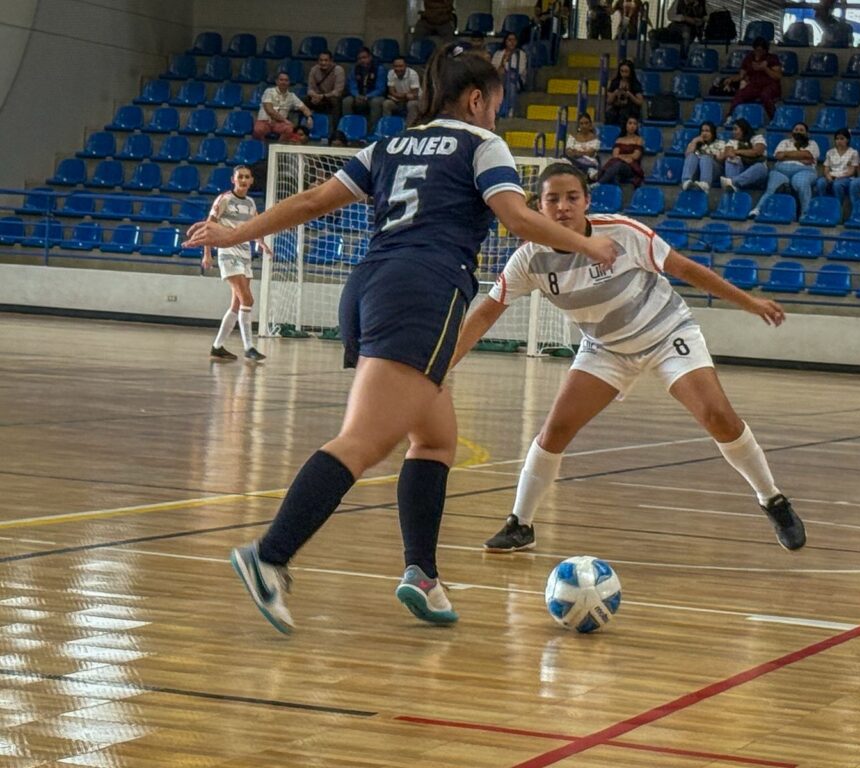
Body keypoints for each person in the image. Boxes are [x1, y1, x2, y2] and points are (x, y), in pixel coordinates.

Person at [183, 44, 618, 634]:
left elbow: (312, 201)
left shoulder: (386, 145)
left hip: (370, 287)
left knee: (436, 439)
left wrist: (239, 228)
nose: (496, 114)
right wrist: (588, 244)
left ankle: (423, 575)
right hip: (424, 291)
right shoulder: (480, 144)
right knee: (361, 441)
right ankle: (270, 555)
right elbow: (515, 218)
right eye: (495, 103)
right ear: (475, 99)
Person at [450, 162, 806, 554]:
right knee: (555, 431)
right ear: (539, 206)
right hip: (605, 348)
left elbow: (686, 269)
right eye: (553, 199)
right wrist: (443, 365)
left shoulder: (623, 232)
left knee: (717, 416)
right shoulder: (529, 258)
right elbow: (486, 312)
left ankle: (772, 498)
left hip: (667, 333)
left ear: (587, 201)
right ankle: (520, 524)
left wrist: (749, 303)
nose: (564, 207)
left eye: (572, 197)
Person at [201, 165, 272, 363]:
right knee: (248, 300)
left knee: (237, 303)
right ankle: (249, 347)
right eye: (239, 176)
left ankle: (217, 347)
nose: (243, 179)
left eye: (246, 177)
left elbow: (255, 226)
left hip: (244, 254)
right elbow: (209, 225)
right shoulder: (224, 199)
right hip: (227, 252)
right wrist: (207, 253)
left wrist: (261, 243)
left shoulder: (250, 202)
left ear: (251, 181)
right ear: (233, 179)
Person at [752, 121, 818, 218]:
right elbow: (779, 156)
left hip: (803, 171)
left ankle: (805, 214)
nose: (798, 132)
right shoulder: (784, 142)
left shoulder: (812, 143)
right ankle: (757, 209)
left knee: (802, 184)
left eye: (801, 130)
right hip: (781, 170)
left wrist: (786, 154)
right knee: (771, 188)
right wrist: (799, 157)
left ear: (807, 133)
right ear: (792, 132)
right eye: (796, 130)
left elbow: (807, 154)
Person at [723, 38, 782, 121]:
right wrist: (731, 79)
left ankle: (774, 119)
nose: (758, 53)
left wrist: (765, 68)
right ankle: (730, 116)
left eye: (760, 50)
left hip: (770, 85)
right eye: (756, 50)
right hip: (754, 85)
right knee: (740, 94)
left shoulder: (772, 58)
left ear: (765, 50)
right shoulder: (749, 58)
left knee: (765, 95)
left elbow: (777, 76)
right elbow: (741, 75)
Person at [254, 72, 313, 142]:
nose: (283, 82)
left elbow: (304, 108)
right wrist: (285, 120)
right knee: (258, 130)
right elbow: (270, 110)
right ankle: (262, 148)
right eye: (281, 80)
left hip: (279, 124)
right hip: (265, 121)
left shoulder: (292, 96)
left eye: (286, 80)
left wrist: (309, 117)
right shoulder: (269, 91)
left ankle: (278, 147)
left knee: (289, 129)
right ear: (276, 81)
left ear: (289, 82)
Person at [717, 118, 768, 192]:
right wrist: (744, 152)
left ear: (743, 130)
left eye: (735, 129)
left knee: (760, 167)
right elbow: (729, 153)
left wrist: (737, 151)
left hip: (757, 175)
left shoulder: (757, 138)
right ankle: (733, 187)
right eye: (733, 130)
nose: (733, 132)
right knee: (730, 160)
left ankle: (732, 182)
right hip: (740, 170)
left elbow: (757, 152)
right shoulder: (732, 142)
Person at [342, 47, 387, 127]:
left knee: (375, 102)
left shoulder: (379, 69)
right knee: (347, 101)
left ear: (370, 57)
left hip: (374, 96)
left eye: (364, 57)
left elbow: (380, 88)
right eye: (359, 58)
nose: (362, 60)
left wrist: (367, 96)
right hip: (359, 96)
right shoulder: (355, 69)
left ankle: (373, 129)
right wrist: (356, 95)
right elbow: (352, 85)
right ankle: (348, 127)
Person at [303, 51, 345, 135]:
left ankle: (335, 131)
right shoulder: (314, 70)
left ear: (331, 61)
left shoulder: (338, 70)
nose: (323, 63)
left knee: (335, 101)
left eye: (326, 60)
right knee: (303, 100)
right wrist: (314, 96)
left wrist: (322, 96)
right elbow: (310, 89)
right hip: (318, 97)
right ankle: (303, 130)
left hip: (331, 97)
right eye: (321, 60)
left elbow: (338, 91)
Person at [595, 116, 644, 187]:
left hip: (632, 167)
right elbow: (615, 155)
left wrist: (621, 157)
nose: (632, 126)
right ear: (626, 125)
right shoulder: (619, 140)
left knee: (618, 165)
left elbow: (635, 156)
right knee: (615, 174)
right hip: (619, 165)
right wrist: (625, 158)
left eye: (634, 124)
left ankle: (599, 184)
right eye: (630, 123)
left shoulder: (639, 140)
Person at [814, 128, 858, 206]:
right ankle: (822, 204)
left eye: (842, 139)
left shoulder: (853, 152)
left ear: (847, 140)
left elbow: (852, 171)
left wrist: (839, 177)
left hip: (846, 178)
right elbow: (826, 168)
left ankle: (838, 207)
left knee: (837, 185)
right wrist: (828, 176)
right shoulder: (830, 152)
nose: (839, 141)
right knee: (820, 182)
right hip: (831, 176)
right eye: (837, 139)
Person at [680, 121, 724, 193]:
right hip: (698, 170)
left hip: (714, 170)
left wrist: (712, 156)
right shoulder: (696, 143)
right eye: (702, 131)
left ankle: (705, 183)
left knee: (705, 158)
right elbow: (687, 156)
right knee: (691, 156)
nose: (704, 133)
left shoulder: (720, 143)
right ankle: (686, 181)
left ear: (712, 133)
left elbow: (721, 160)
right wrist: (694, 142)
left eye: (707, 131)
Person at [604, 60, 644, 130]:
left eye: (626, 71)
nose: (624, 74)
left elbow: (640, 102)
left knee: (624, 114)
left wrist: (630, 95)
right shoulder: (615, 82)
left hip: (631, 108)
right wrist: (615, 93)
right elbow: (609, 101)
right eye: (622, 71)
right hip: (616, 107)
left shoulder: (635, 84)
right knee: (609, 114)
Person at [382, 57, 421, 124]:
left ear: (406, 66)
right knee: (387, 103)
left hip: (414, 100)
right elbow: (391, 92)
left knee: (411, 104)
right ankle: (387, 126)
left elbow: (414, 94)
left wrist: (399, 96)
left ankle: (409, 129)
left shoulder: (413, 74)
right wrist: (406, 95)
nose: (398, 69)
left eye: (400, 66)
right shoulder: (391, 73)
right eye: (396, 66)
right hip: (399, 101)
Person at [564, 112, 601, 181]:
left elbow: (590, 154)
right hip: (574, 161)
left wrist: (576, 152)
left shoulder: (595, 139)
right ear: (578, 125)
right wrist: (583, 152)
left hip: (589, 162)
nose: (584, 126)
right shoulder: (572, 137)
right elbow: (569, 152)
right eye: (581, 123)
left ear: (590, 124)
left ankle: (585, 170)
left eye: (586, 123)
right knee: (564, 157)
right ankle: (586, 170)